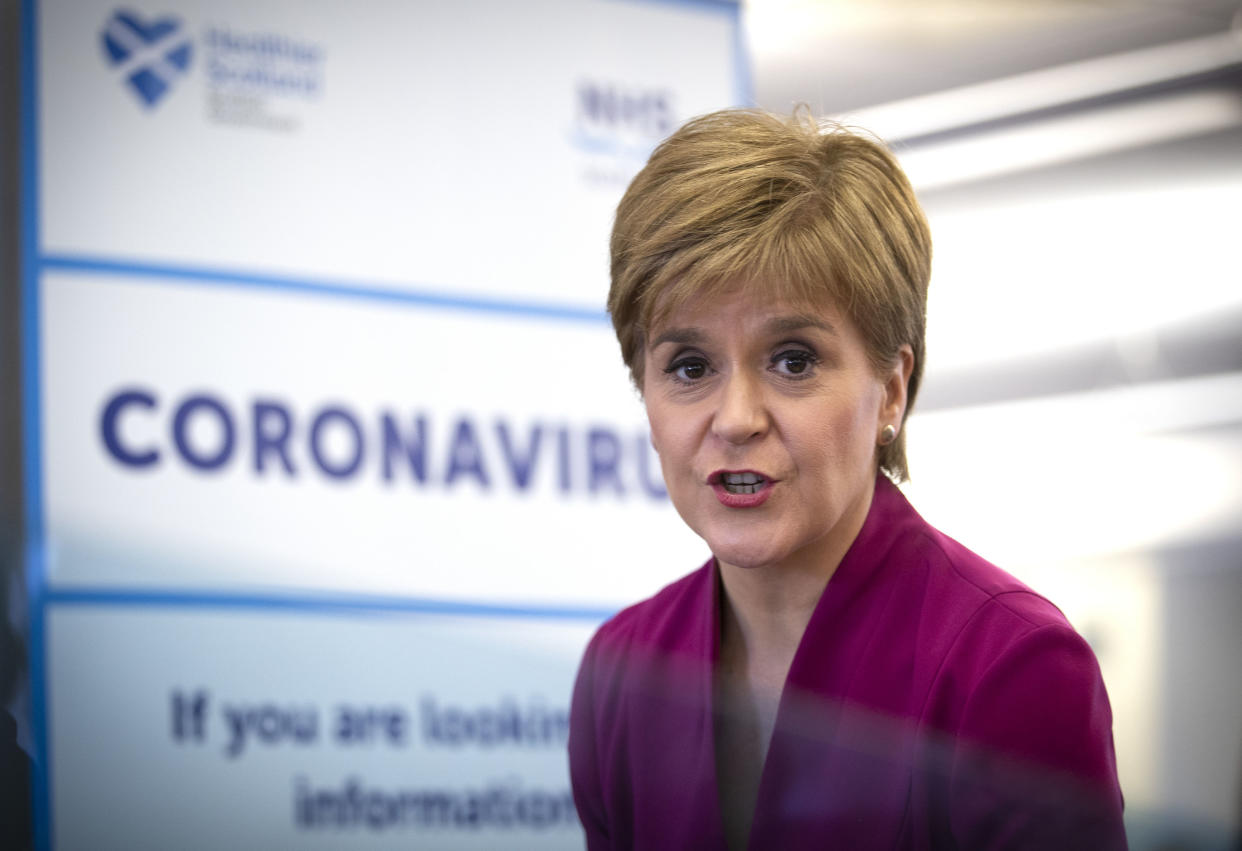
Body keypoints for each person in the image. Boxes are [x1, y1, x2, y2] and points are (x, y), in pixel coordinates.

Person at [568, 108, 1127, 850]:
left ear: (892, 389)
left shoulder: (1011, 668)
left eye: (793, 359)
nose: (735, 419)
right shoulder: (622, 674)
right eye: (690, 367)